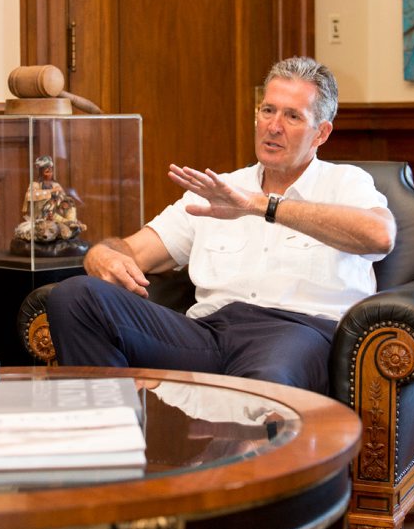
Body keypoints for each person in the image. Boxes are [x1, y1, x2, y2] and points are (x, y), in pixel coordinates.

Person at [47, 56, 396, 392]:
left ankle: (246, 448)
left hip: (297, 334)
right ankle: (115, 434)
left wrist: (261, 205)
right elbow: (133, 251)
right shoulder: (217, 189)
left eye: (292, 116)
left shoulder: (345, 182)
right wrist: (102, 254)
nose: (273, 126)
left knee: (263, 389)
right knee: (75, 296)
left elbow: (379, 236)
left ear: (321, 133)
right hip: (207, 335)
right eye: (268, 111)